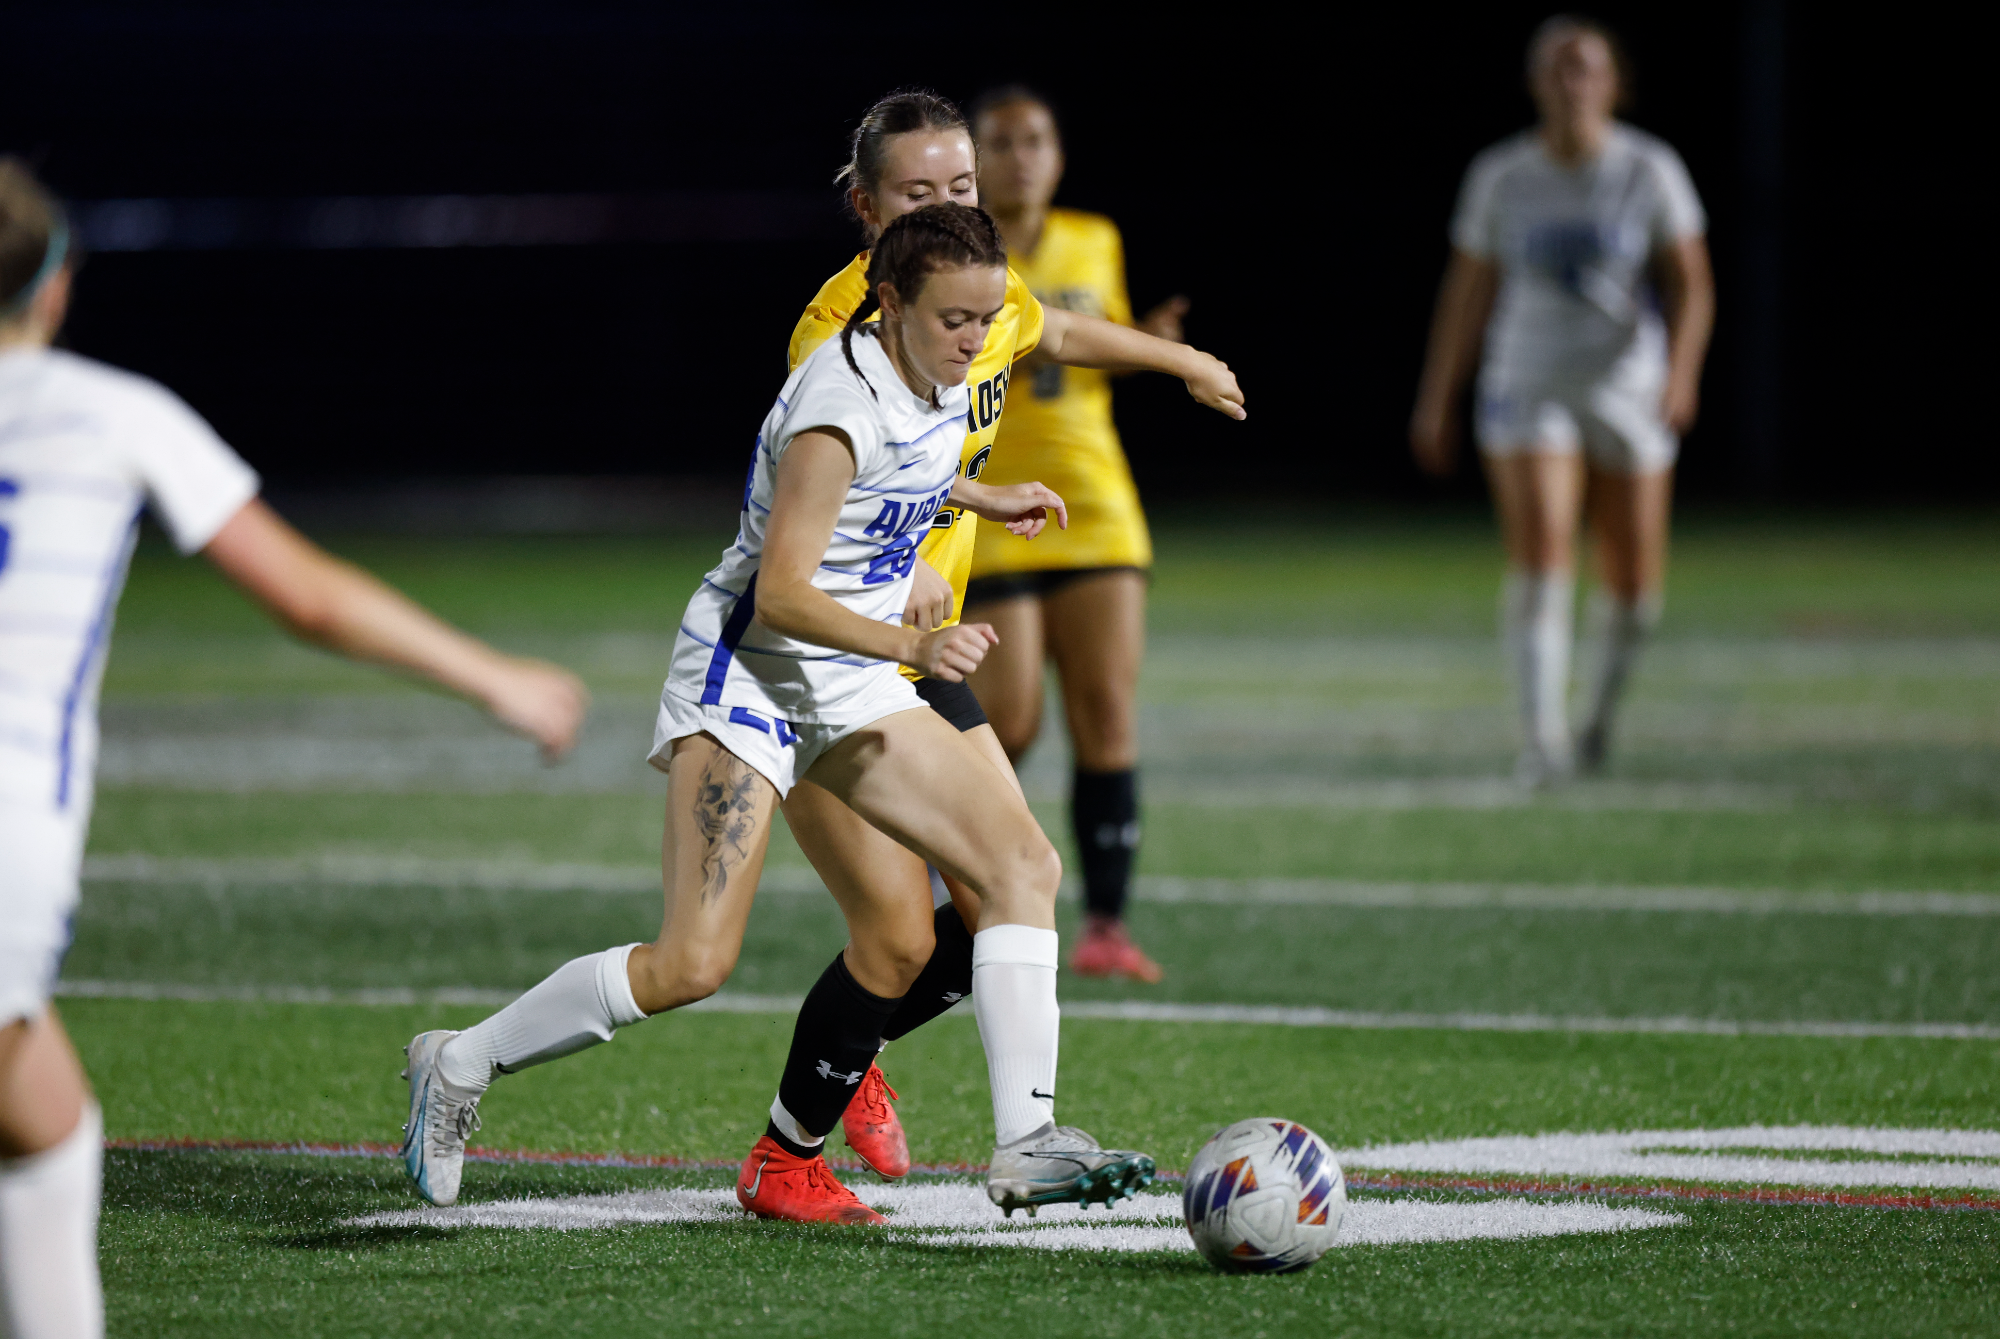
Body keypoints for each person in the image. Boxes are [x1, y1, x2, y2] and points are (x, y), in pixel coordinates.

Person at [400, 204, 1172, 1224]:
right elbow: (781, 594)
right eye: (954, 320)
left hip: (841, 677)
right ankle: (457, 1064)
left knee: (1019, 865)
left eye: (988, 319)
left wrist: (984, 500)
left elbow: (918, 459)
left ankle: (1026, 1141)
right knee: (689, 964)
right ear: (887, 303)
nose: (976, 341)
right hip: (752, 675)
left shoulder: (936, 358)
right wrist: (914, 647)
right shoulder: (833, 403)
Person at [0, 158, 588, 1339]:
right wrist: (495, 678)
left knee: (48, 1121)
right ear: (57, 286)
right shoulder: (112, 413)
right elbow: (305, 592)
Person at [739, 90, 1244, 1218]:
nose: (948, 208)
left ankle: (839, 1107)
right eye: (919, 194)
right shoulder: (834, 330)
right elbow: (827, 491)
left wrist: (1179, 358)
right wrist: (910, 554)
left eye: (959, 189)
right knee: (960, 898)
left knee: (980, 910)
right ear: (865, 209)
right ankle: (999, 1138)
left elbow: (1054, 330)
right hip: (836, 656)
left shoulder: (979, 291)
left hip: (912, 648)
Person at [1409, 15, 1714, 782]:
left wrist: (1681, 374)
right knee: (1545, 547)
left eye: (1587, 68)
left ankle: (1596, 724)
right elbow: (1467, 290)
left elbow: (1692, 284)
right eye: (1558, 68)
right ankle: (1540, 742)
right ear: (1536, 84)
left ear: (1613, 83)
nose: (1573, 83)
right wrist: (1437, 397)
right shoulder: (1502, 176)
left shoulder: (1650, 170)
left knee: (1635, 582)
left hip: (1627, 385)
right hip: (1527, 380)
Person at [962, 86, 1184, 982]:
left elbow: (1090, 344)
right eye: (1002, 142)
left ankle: (1104, 925)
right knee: (1008, 718)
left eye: (1037, 139)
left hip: (1091, 498)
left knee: (1105, 714)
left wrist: (1145, 342)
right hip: (990, 504)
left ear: (1057, 155)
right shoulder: (951, 249)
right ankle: (967, 881)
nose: (1021, 156)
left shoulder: (1096, 238)